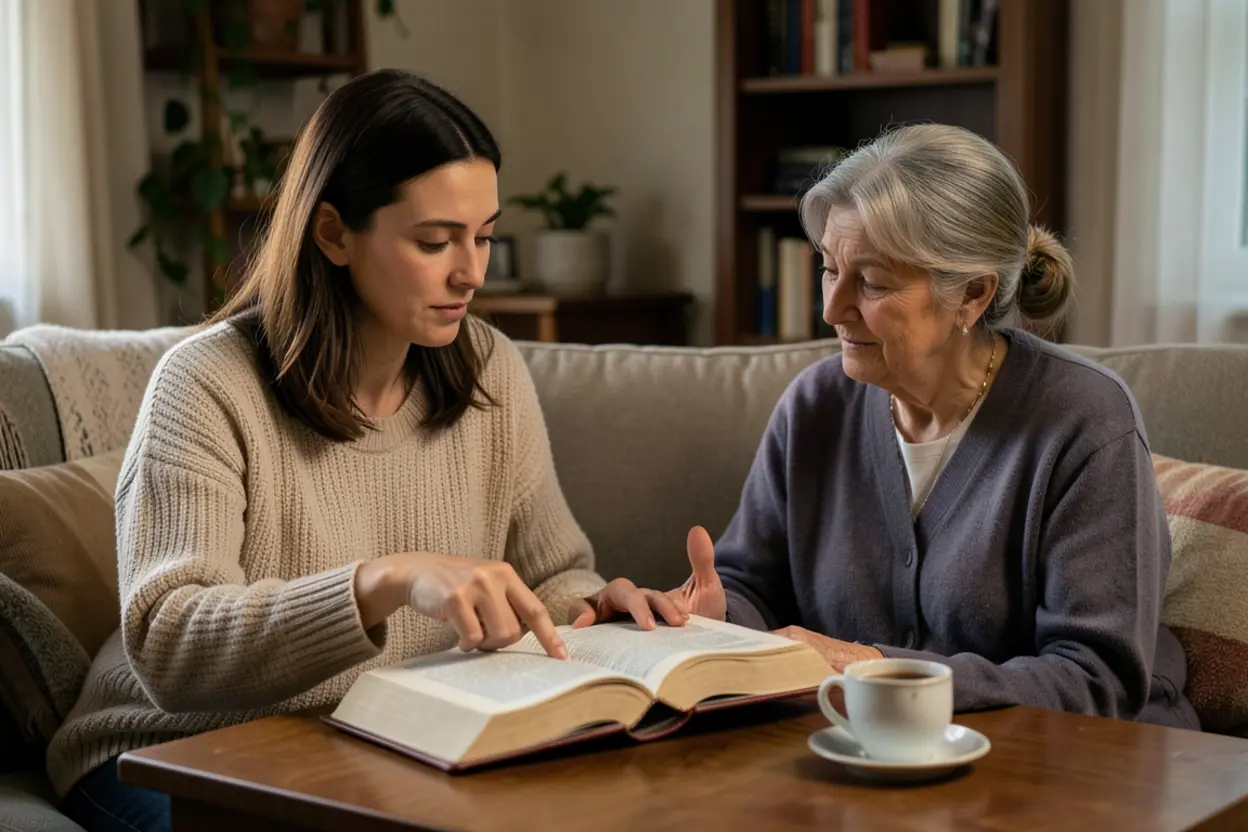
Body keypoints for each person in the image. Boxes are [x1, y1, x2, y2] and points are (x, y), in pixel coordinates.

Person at [48, 69, 688, 832]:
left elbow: (551, 575)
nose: (471, 273)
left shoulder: (489, 369)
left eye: (485, 236)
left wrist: (597, 610)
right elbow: (169, 644)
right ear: (333, 234)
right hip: (170, 751)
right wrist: (381, 581)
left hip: (372, 742)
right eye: (434, 241)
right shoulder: (206, 384)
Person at [670, 123, 1199, 731]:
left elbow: (1097, 679)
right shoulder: (814, 407)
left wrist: (877, 667)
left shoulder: (1084, 420)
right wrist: (707, 616)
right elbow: (752, 585)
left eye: (871, 282)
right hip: (877, 755)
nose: (831, 309)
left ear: (971, 295)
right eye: (829, 269)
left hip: (1081, 763)